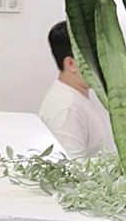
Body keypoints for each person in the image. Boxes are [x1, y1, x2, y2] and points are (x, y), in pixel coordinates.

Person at [37, 19, 116, 158]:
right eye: (97, 57)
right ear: (71, 64)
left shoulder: (76, 97)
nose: (105, 63)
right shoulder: (67, 109)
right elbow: (73, 168)